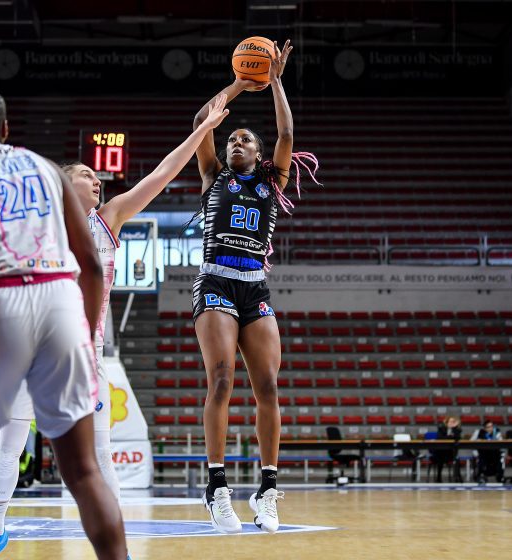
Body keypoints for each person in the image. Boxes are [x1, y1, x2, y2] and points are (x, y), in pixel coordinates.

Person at [0, 95, 231, 560]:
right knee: (9, 445)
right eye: (86, 175)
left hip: (85, 355)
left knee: (100, 453)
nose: (97, 180)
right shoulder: (36, 223)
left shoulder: (108, 220)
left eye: (97, 175)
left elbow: (162, 174)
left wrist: (202, 130)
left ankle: (116, 542)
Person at [0, 86, 127, 560]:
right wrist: (84, 333)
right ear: (7, 130)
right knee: (84, 471)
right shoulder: (46, 168)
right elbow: (92, 267)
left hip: (0, 299)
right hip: (61, 300)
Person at [190, 39, 320, 534]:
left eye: (244, 139)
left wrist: (277, 79)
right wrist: (241, 84)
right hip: (216, 281)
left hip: (255, 286)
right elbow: (205, 118)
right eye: (231, 141)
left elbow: (287, 129)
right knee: (221, 379)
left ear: (260, 153)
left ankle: (266, 489)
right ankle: (217, 486)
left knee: (267, 386)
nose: (234, 144)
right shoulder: (212, 176)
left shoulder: (273, 181)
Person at [471, 419, 504, 484]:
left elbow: (501, 442)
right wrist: (477, 440)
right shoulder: (479, 432)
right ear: (485, 428)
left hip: (494, 454)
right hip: (483, 454)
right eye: (488, 427)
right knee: (482, 458)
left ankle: (499, 476)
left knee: (498, 458)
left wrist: (497, 438)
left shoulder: (497, 432)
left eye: (492, 426)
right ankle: (480, 476)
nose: (490, 428)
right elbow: (471, 442)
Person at [433, 416, 463, 483]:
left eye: (453, 422)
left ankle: (458, 478)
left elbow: (457, 438)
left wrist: (454, 428)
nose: (452, 423)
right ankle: (438, 478)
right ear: (446, 423)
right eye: (450, 421)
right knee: (439, 458)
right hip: (441, 452)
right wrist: (450, 436)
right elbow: (440, 438)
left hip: (451, 453)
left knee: (457, 459)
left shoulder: (457, 430)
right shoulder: (441, 428)